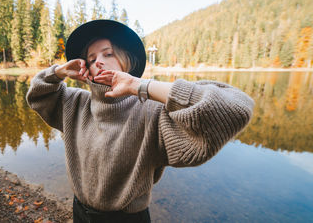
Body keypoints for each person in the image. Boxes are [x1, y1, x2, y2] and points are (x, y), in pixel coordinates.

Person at [26, 20, 255, 223]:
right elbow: (38, 96)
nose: (99, 63)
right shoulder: (75, 104)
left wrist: (140, 86)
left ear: (127, 61)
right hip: (81, 212)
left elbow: (234, 108)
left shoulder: (152, 113)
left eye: (108, 54)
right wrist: (58, 73)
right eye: (91, 59)